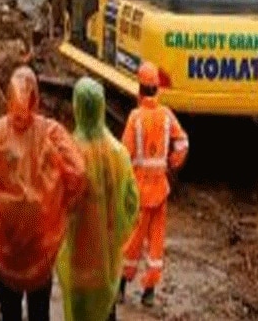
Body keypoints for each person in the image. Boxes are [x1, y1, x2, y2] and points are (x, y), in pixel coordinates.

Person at [0, 67, 86, 321]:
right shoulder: (51, 131)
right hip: (41, 241)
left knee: (9, 311)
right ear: (36, 98)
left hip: (6, 241)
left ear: (9, 97)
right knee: (39, 311)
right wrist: (63, 202)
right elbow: (79, 170)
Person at [57, 78, 139, 321]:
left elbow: (54, 205)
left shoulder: (66, 153)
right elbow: (132, 203)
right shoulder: (118, 154)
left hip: (76, 259)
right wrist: (117, 235)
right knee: (106, 312)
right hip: (106, 261)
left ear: (77, 107)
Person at [121, 62, 189, 308]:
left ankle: (121, 286)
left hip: (139, 191)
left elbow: (124, 153)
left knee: (132, 241)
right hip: (160, 190)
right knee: (156, 244)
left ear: (139, 89)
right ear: (157, 88)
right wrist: (171, 163)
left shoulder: (135, 118)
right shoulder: (167, 115)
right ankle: (148, 292)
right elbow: (182, 143)